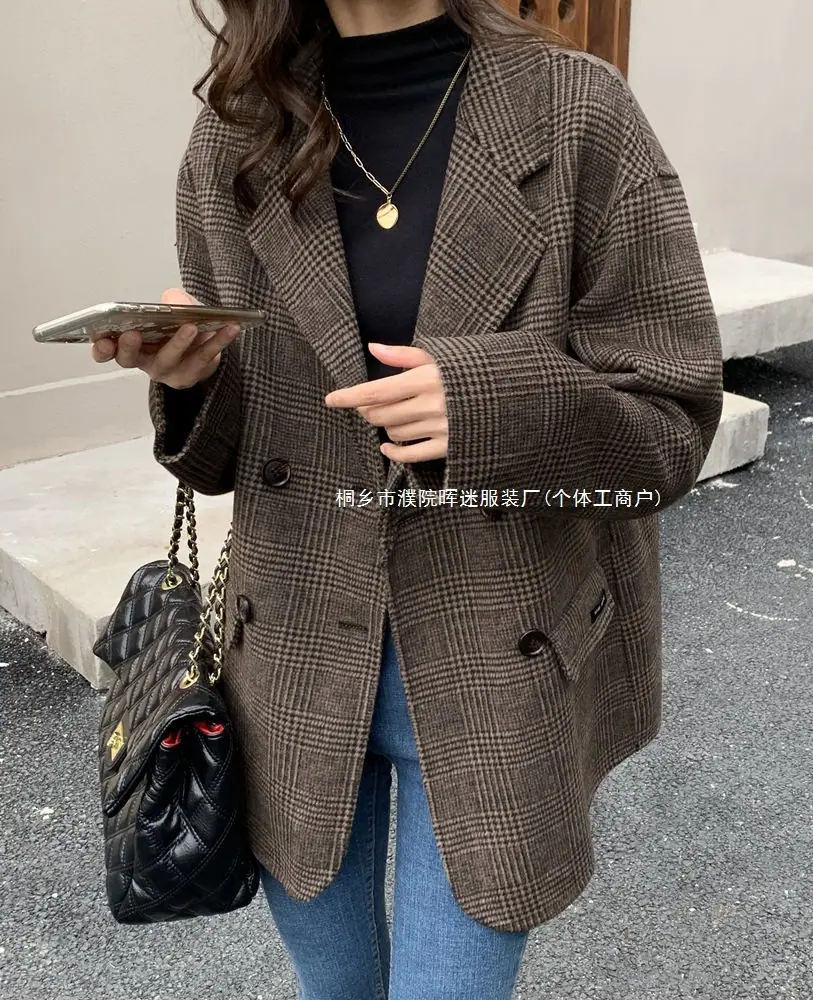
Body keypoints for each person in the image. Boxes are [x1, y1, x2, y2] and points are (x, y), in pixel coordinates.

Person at [92, 1, 724, 997]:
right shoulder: (238, 131)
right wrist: (192, 379)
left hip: (500, 659)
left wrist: (488, 405)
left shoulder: (575, 111)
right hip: (293, 657)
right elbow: (227, 460)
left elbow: (671, 426)